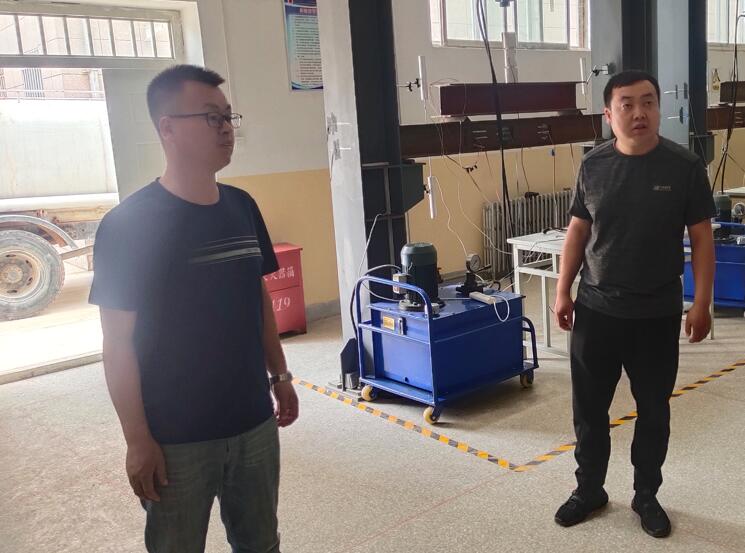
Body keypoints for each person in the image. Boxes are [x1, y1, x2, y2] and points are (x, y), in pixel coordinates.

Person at [89, 64, 298, 553]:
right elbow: (117, 344)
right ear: (167, 128)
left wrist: (280, 375)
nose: (226, 129)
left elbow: (257, 297)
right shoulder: (128, 225)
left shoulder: (242, 206)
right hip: (175, 437)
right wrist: (137, 439)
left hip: (252, 422)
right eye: (210, 117)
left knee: (261, 542)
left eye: (228, 116)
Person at [552, 70, 715, 538]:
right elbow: (579, 229)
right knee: (589, 411)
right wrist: (563, 289)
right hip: (596, 310)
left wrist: (701, 303)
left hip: (655, 314)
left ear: (658, 108)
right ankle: (590, 489)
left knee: (654, 411)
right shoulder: (593, 165)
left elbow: (702, 238)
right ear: (609, 114)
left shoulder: (684, 166)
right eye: (627, 104)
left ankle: (646, 494)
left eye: (648, 102)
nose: (639, 112)